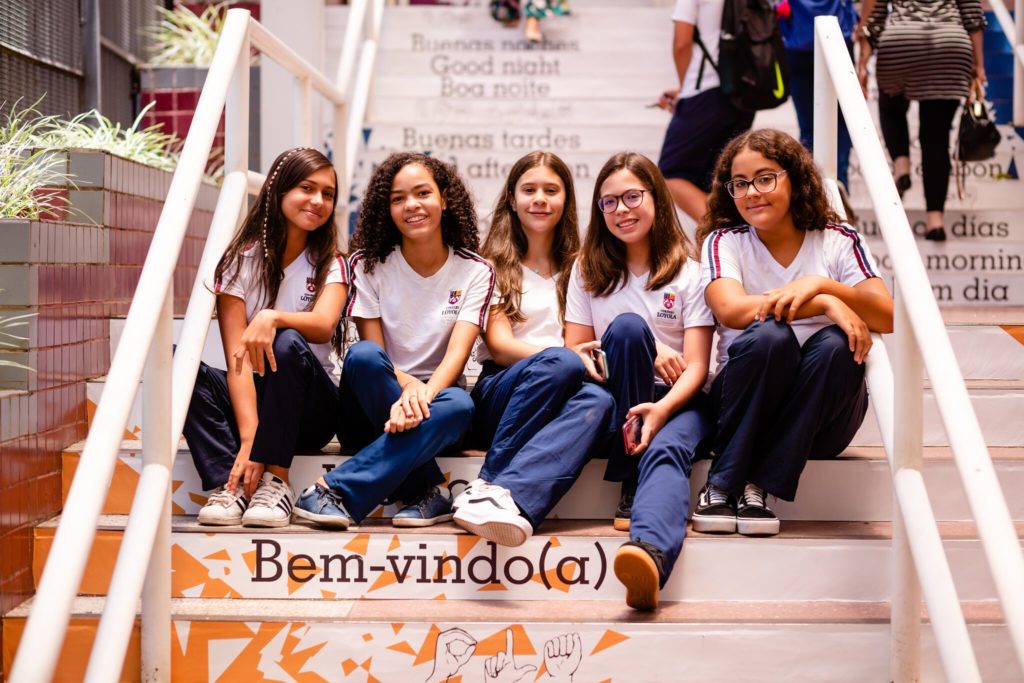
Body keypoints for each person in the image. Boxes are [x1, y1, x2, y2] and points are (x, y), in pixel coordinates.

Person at [696, 129, 893, 537]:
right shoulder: (725, 242)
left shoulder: (837, 240)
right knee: (770, 337)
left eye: (765, 178)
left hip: (823, 420)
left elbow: (887, 316)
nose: (752, 193)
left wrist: (820, 284)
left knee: (838, 346)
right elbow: (731, 310)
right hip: (741, 407)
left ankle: (757, 484)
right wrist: (824, 304)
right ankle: (726, 485)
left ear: (795, 179)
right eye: (740, 183)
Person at [293, 152, 494, 530]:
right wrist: (408, 391)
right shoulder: (366, 265)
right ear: (387, 209)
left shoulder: (476, 270)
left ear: (444, 199)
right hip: (371, 406)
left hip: (436, 403)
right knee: (363, 356)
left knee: (461, 405)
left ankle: (332, 489)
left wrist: (423, 395)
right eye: (398, 198)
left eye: (422, 193)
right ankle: (426, 490)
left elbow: (457, 356)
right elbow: (376, 354)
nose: (411, 205)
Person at [564, 152, 715, 611]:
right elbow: (576, 353)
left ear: (657, 198)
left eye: (632, 197)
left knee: (667, 449)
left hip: (679, 401)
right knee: (629, 330)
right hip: (615, 400)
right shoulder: (587, 270)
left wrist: (662, 410)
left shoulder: (690, 272)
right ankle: (630, 471)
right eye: (609, 202)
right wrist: (649, 345)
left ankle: (649, 556)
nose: (621, 210)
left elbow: (697, 366)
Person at [452, 151, 613, 547]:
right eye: (529, 190)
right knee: (560, 362)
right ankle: (487, 481)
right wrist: (567, 357)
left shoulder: (584, 266)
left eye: (551, 190)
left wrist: (572, 360)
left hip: (567, 386)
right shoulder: (490, 265)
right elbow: (501, 347)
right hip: (503, 392)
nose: (540, 199)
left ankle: (514, 500)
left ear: (566, 199)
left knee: (600, 401)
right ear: (512, 198)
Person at [183, 147, 348, 527]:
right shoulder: (239, 261)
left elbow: (323, 325)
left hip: (311, 411)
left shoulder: (332, 263)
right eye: (307, 188)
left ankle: (277, 483)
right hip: (255, 402)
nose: (318, 201)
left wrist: (272, 317)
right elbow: (237, 362)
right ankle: (230, 484)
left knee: (287, 340)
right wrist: (249, 438)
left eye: (328, 194)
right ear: (279, 189)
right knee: (180, 365)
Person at [857, 0, 987, 241]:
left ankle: (902, 166)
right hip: (949, 45)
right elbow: (973, 16)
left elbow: (875, 15)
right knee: (936, 138)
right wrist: (979, 65)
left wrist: (862, 62)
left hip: (901, 42)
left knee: (890, 107)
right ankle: (935, 221)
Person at [656, 0, 756, 223]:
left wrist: (685, 87)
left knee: (670, 174)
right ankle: (731, 235)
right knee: (718, 180)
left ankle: (726, 234)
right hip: (745, 92)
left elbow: (681, 43)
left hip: (706, 90)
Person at [777, 0, 857, 192]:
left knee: (808, 126)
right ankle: (839, 181)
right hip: (837, 38)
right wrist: (862, 28)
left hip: (798, 41)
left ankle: (811, 187)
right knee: (841, 120)